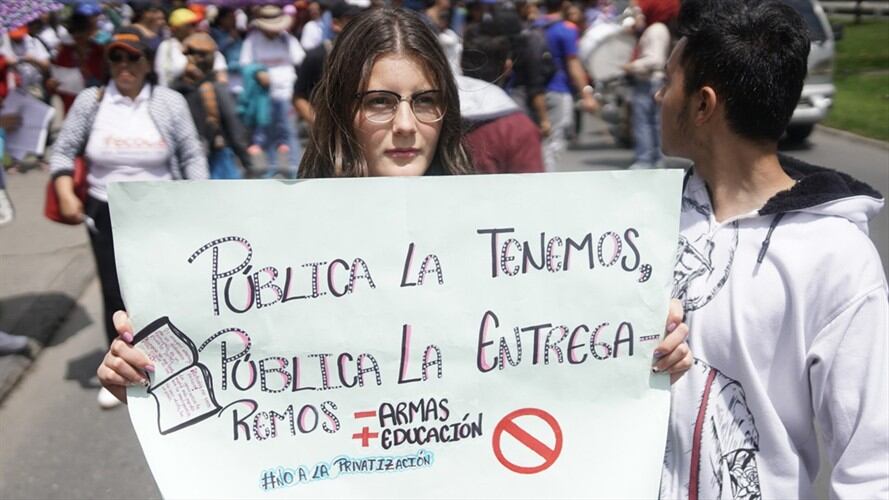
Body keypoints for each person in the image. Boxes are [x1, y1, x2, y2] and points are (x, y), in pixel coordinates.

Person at [97, 7, 693, 403]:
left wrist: (643, 339)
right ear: (342, 112)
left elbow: (568, 351)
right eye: (380, 102)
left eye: (426, 102)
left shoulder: (508, 241)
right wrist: (143, 371)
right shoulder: (275, 251)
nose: (406, 126)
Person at [656, 0, 888, 498]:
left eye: (667, 80)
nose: (656, 95)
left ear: (703, 105)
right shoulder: (642, 225)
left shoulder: (835, 254)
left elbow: (873, 461)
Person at [50, 27, 208, 409]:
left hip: (161, 209)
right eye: (116, 58)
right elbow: (62, 151)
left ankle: (172, 361)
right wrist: (64, 190)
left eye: (132, 57)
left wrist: (200, 199)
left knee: (166, 286)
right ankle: (122, 370)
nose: (124, 66)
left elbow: (191, 154)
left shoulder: (168, 101)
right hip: (105, 209)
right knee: (115, 293)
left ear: (146, 62)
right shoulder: (92, 101)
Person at [172, 33, 253, 179]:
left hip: (181, 160)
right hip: (214, 157)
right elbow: (233, 124)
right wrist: (248, 162)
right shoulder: (215, 88)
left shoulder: (172, 89)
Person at [240, 5, 306, 178]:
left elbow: (300, 60)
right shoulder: (252, 41)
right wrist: (257, 71)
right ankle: (270, 168)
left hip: (286, 92)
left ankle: (295, 168)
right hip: (264, 95)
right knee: (267, 132)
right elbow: (245, 64)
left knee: (289, 130)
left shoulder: (287, 39)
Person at [536, 0, 597, 171]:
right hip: (558, 89)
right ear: (563, 5)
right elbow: (573, 64)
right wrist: (586, 94)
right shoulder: (567, 29)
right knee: (553, 143)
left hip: (531, 91)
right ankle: (547, 182)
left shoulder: (532, 25)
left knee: (536, 141)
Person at [622, 0, 677, 169]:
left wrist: (631, 66)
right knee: (653, 123)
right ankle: (654, 159)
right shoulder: (656, 29)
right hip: (653, 81)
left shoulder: (655, 30)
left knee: (644, 123)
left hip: (649, 81)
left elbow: (654, 60)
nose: (637, 16)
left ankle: (646, 159)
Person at [155, 8, 228, 88]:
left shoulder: (203, 41)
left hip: (203, 92)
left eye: (196, 24)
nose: (195, 28)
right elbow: (166, 73)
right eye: (191, 24)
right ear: (176, 28)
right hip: (175, 92)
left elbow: (220, 68)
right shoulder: (167, 46)